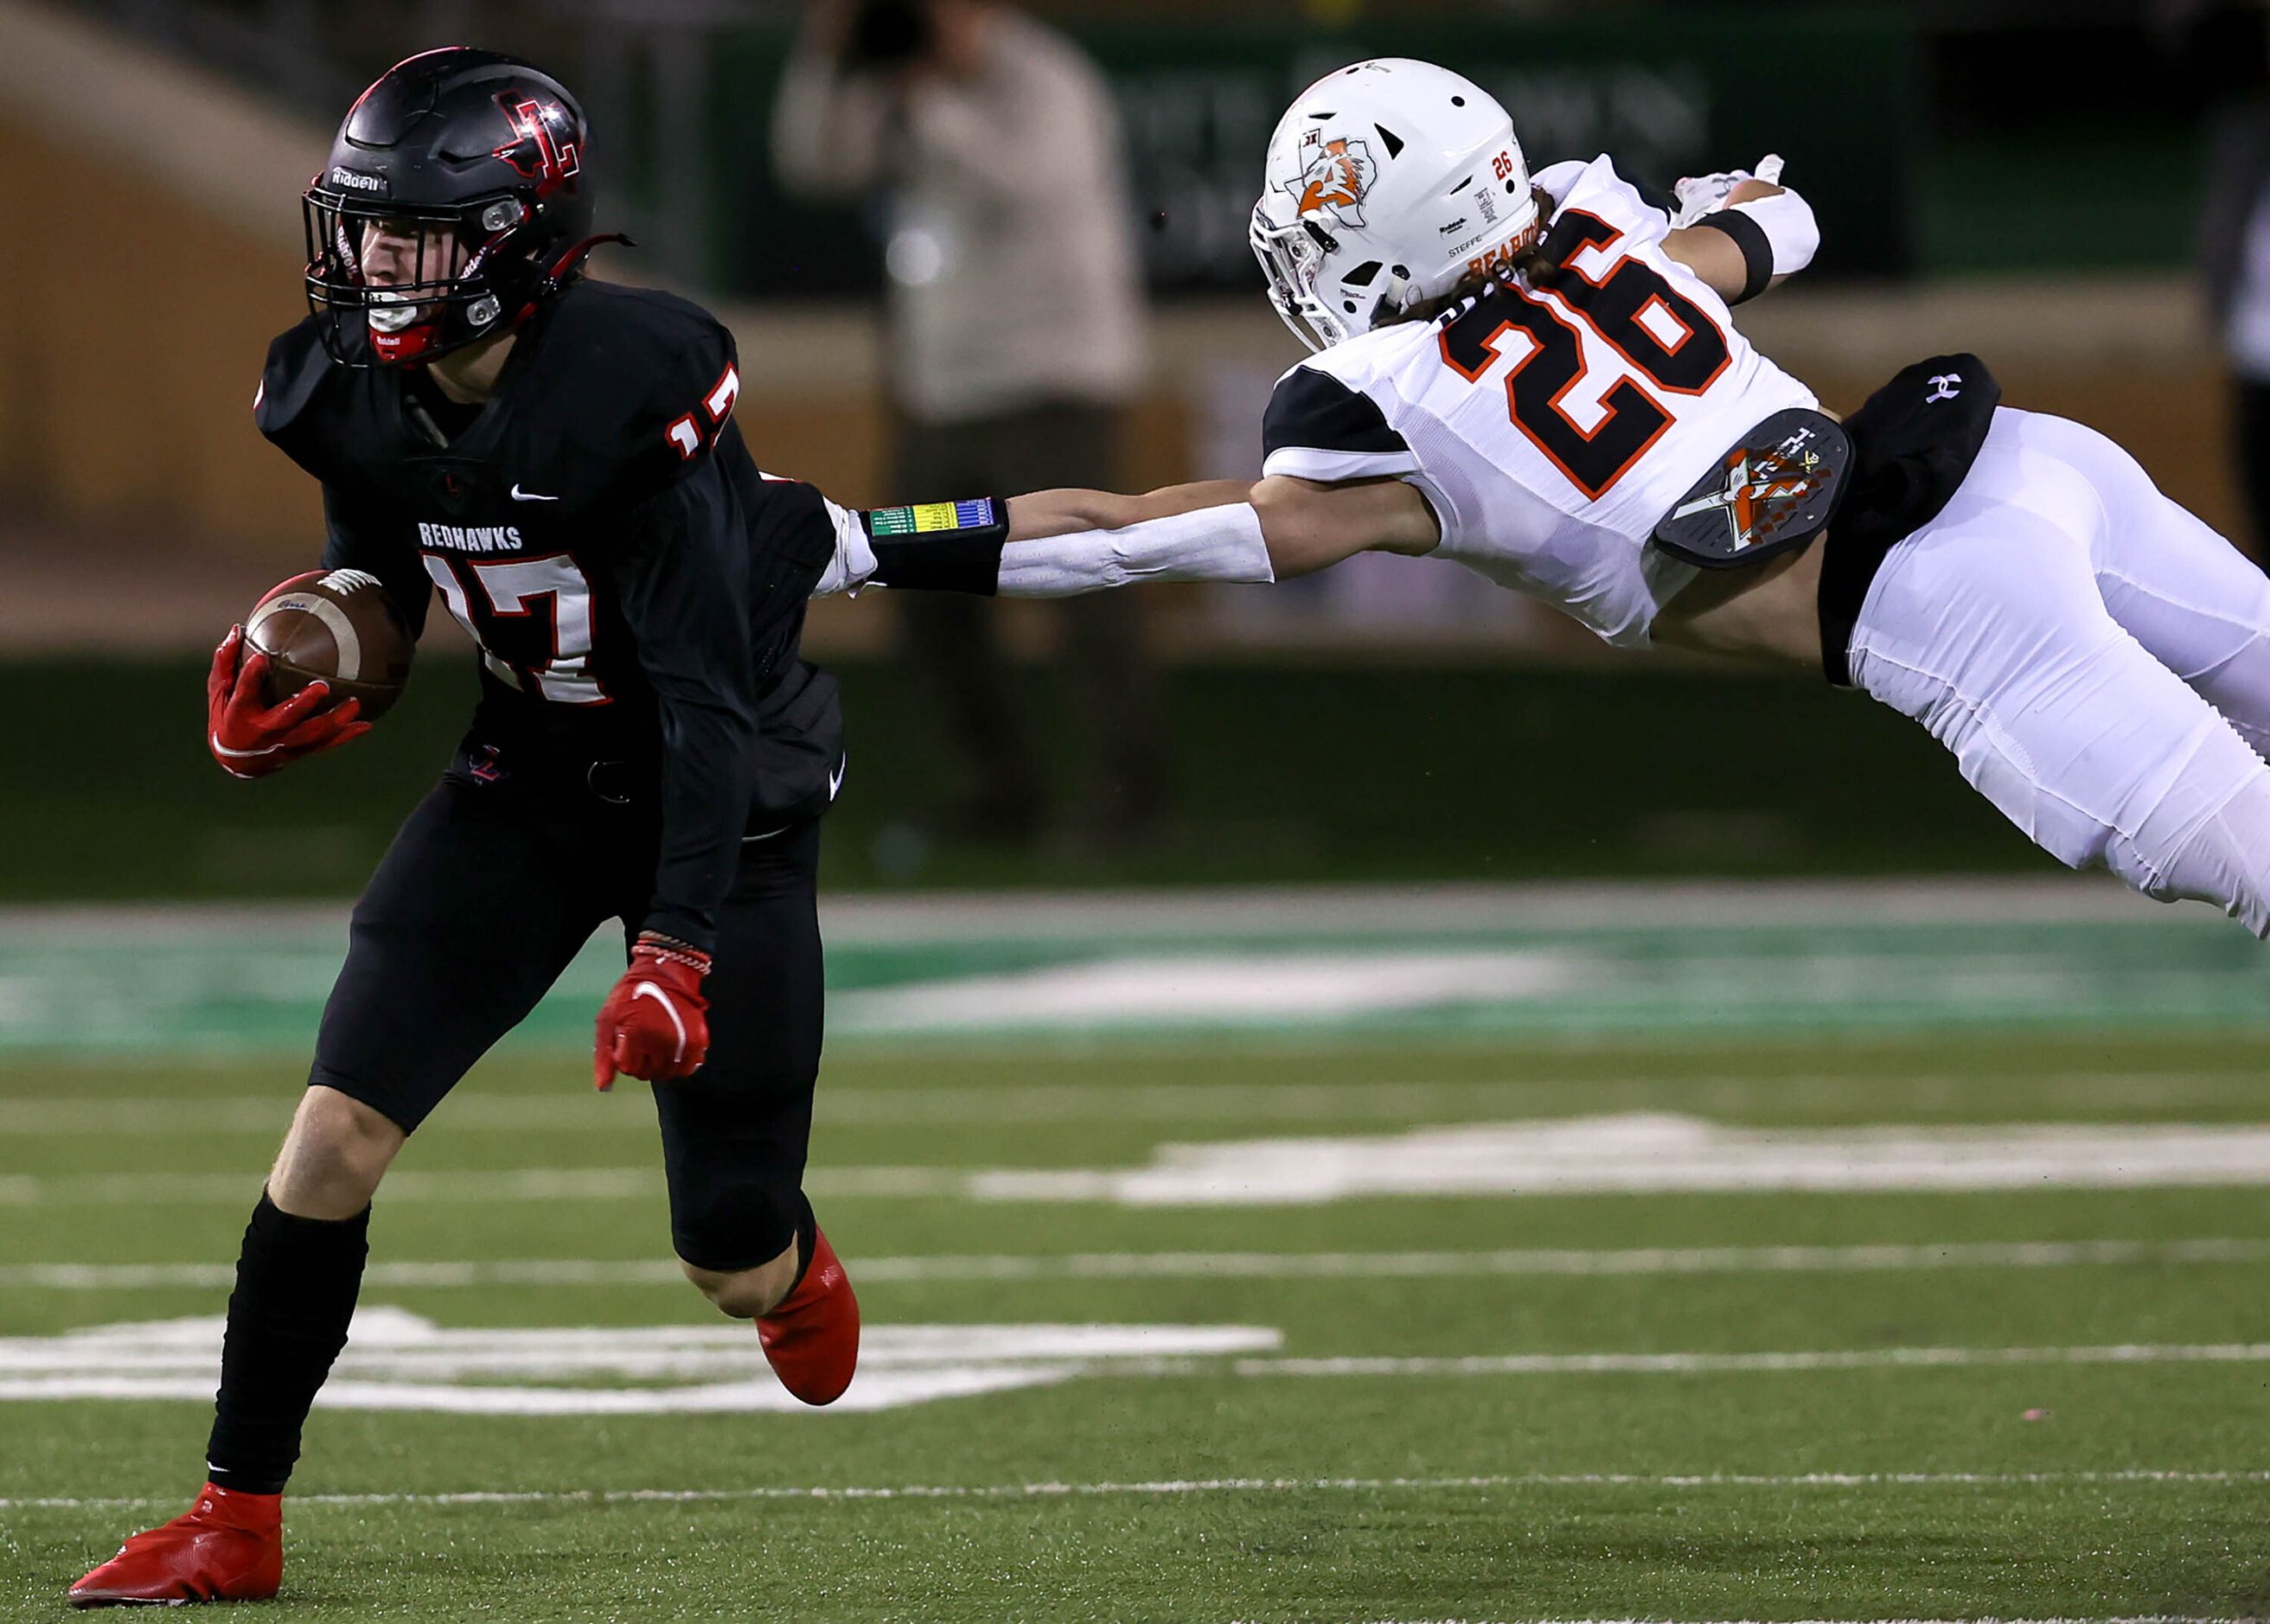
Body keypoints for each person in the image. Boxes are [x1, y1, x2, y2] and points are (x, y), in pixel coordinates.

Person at [830, 57, 2270, 937]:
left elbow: (1132, 532)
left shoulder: (1390, 402)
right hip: (2029, 460)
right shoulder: (1598, 219)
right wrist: (1717, 210)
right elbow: (1781, 222)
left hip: (1944, 610)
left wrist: (869, 546)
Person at [72, 48, 863, 1608]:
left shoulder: (629, 391)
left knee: (724, 1244)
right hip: (533, 771)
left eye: (416, 237)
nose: (375, 267)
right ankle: (235, 1509)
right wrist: (326, 631)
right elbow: (379, 545)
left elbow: (709, 701)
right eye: (363, 231)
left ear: (517, 243)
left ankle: (784, 1256)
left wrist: (678, 953)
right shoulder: (347, 380)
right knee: (334, 1132)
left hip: (726, 787)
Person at [771, 0, 1167, 842]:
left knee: (1089, 592)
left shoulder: (1044, 77)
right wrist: (825, 54)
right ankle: (999, 790)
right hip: (942, 395)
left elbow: (1025, 186)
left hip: (1053, 386)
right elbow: (814, 165)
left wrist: (930, 93)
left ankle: (1129, 795)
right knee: (928, 600)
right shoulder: (896, 83)